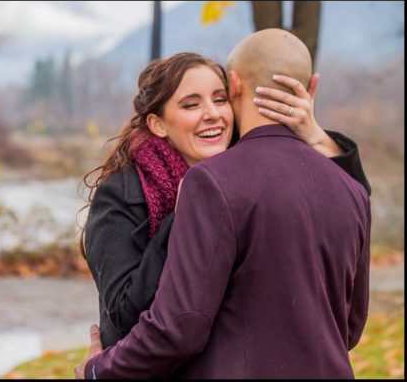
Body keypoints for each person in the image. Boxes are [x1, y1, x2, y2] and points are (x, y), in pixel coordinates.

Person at [78, 29, 370, 378]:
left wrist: (97, 372)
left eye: (219, 99)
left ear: (234, 90)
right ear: (156, 123)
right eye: (190, 104)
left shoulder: (225, 181)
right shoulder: (125, 194)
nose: (212, 114)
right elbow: (127, 317)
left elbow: (182, 325)